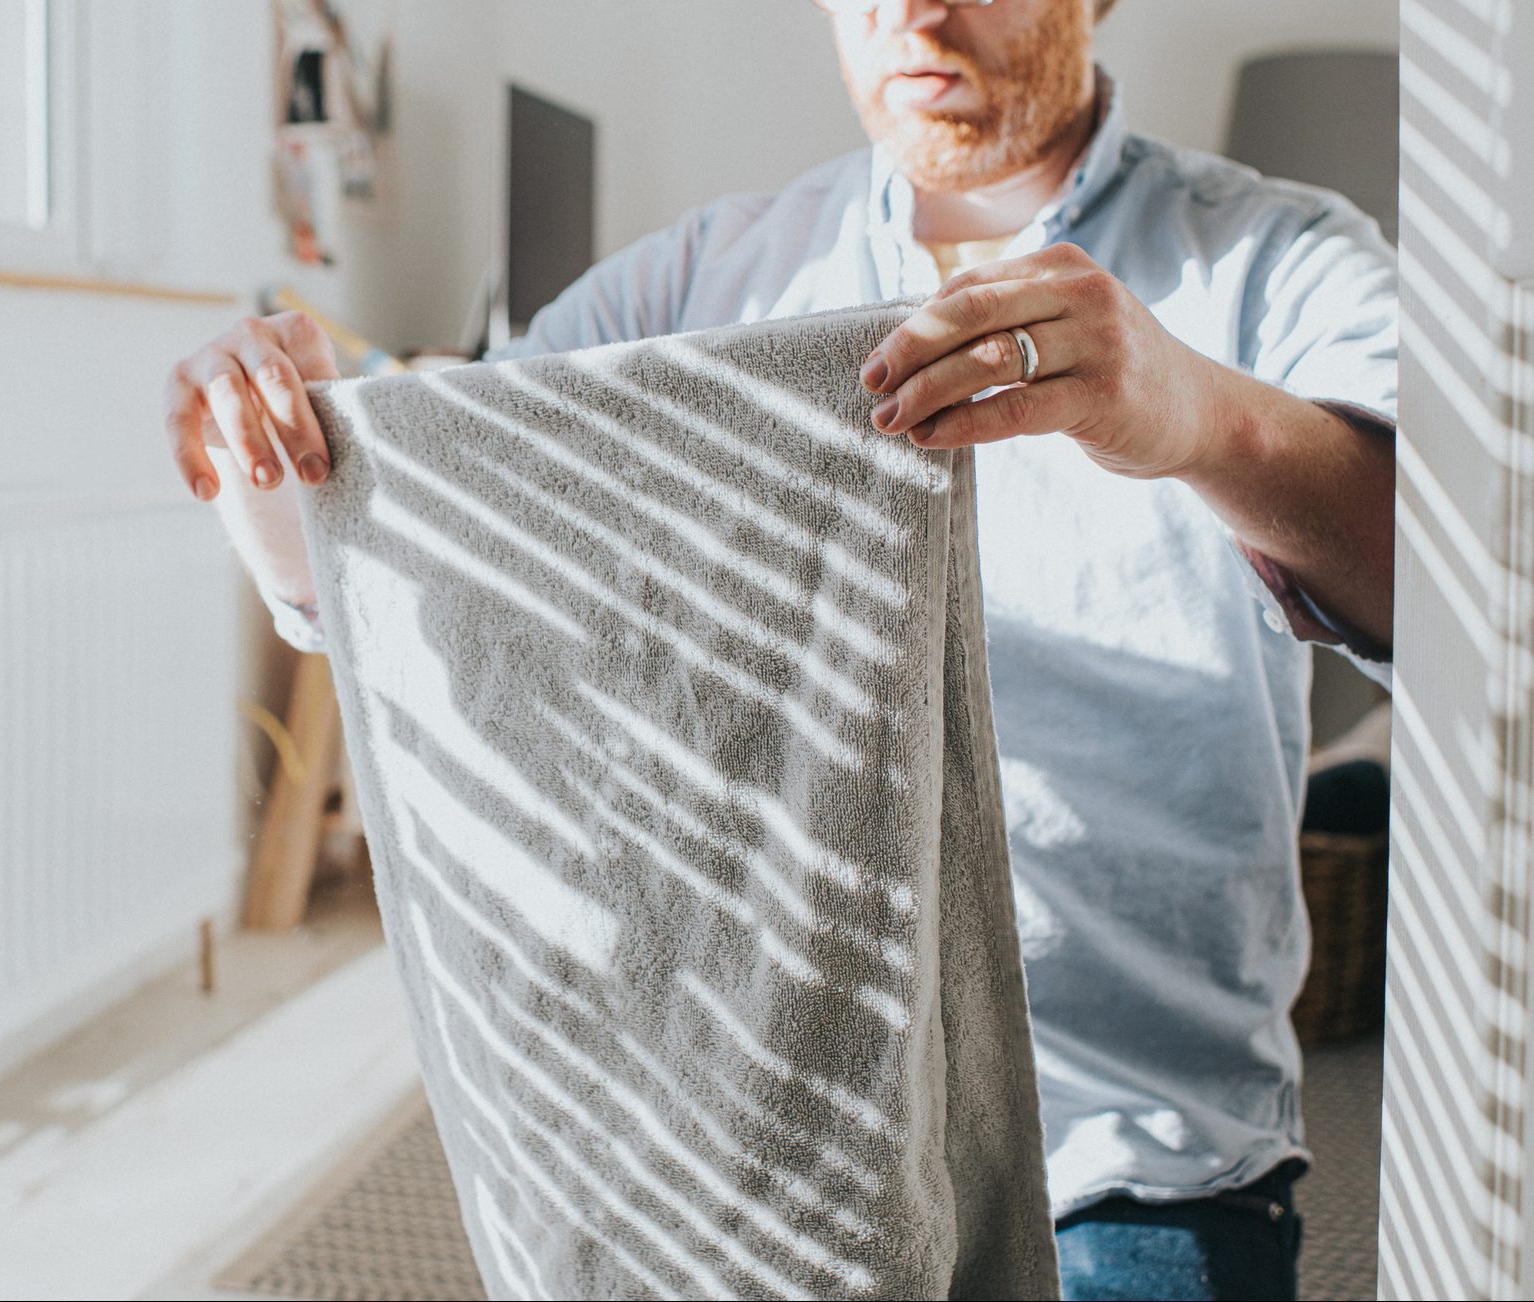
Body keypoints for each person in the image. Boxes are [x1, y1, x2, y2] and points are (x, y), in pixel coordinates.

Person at [162, 1, 1396, 1297]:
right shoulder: (702, 280)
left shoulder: (1271, 260)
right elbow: (430, 543)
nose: (910, 11)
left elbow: (1431, 579)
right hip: (758, 1131)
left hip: (1124, 1161)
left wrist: (1187, 407)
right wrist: (269, 448)